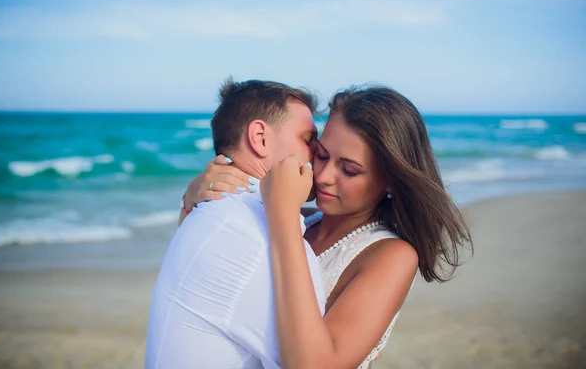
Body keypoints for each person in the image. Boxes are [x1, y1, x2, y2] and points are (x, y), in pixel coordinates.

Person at [183, 85, 473, 368]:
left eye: (348, 169)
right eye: (320, 155)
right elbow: (195, 282)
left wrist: (281, 213)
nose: (322, 176)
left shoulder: (391, 255)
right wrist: (193, 199)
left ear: (391, 181)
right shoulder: (302, 221)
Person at [145, 78, 326, 369]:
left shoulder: (209, 211)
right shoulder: (266, 240)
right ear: (260, 137)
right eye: (307, 139)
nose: (320, 153)